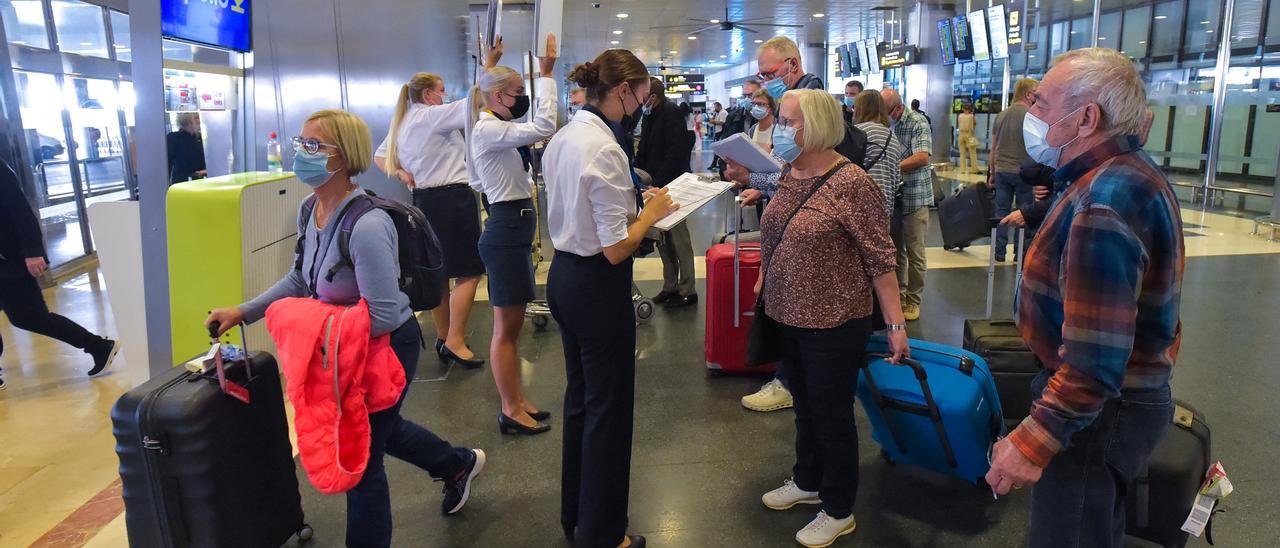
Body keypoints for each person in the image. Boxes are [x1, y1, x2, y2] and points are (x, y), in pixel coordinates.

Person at [206, 109, 484, 548]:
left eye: (313, 146)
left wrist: (316, 322)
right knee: (382, 432)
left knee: (362, 462)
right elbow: (303, 279)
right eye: (301, 144)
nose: (302, 154)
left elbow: (384, 315)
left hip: (385, 348)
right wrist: (245, 311)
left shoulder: (368, 225)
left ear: (343, 157)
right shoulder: (310, 210)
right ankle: (456, 464)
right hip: (345, 350)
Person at [983, 48, 1186, 548]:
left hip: (1100, 414)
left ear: (1086, 117)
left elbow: (1094, 364)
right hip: (1122, 402)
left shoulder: (1102, 202)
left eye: (1043, 105)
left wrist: (1030, 443)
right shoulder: (1124, 173)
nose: (1033, 116)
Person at [755, 89, 907, 548]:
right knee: (804, 407)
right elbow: (776, 229)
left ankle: (839, 508)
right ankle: (809, 480)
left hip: (834, 321)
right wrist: (766, 273)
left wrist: (897, 325)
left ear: (815, 125)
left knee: (831, 414)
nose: (779, 129)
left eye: (787, 121)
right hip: (787, 314)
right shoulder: (790, 172)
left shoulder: (852, 182)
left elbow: (881, 259)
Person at [543, 48, 679, 548]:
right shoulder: (604, 148)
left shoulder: (565, 137)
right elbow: (619, 247)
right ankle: (603, 534)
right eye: (642, 93)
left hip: (564, 277)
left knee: (582, 401)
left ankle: (576, 518)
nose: (643, 103)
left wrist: (634, 207)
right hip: (598, 286)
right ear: (624, 90)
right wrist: (653, 211)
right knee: (609, 410)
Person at [724, 35, 830, 413]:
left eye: (769, 72)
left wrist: (753, 179)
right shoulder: (800, 99)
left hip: (807, 233)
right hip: (791, 226)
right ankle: (791, 378)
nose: (765, 79)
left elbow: (802, 180)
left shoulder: (812, 102)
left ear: (792, 64)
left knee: (799, 309)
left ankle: (790, 381)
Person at [374, 61, 498, 373]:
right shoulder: (431, 116)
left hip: (423, 201)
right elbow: (474, 101)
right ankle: (456, 339)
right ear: (428, 95)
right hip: (451, 200)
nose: (444, 97)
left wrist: (401, 173)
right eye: (441, 92)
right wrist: (490, 65)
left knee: (440, 274)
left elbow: (379, 156)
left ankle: (444, 337)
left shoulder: (402, 122)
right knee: (470, 272)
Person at [466, 34, 559, 435]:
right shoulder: (488, 131)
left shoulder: (493, 128)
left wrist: (490, 65)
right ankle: (509, 408)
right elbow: (543, 124)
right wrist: (547, 75)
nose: (523, 98)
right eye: (519, 92)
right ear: (499, 96)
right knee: (506, 330)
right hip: (506, 230)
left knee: (514, 326)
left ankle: (518, 400)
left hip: (511, 226)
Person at [0, 158, 119, 389]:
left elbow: (21, 211)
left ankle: (98, 346)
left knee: (28, 316)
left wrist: (33, 250)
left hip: (8, 261)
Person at [636, 77, 697, 309]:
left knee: (679, 239)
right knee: (662, 239)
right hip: (654, 187)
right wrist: (640, 177)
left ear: (654, 95)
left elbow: (676, 152)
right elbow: (643, 147)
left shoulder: (671, 113)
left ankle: (688, 289)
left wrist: (659, 183)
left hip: (672, 185)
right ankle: (669, 286)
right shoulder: (650, 115)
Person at [881, 88, 932, 323]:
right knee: (896, 252)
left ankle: (914, 300)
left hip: (915, 198)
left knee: (915, 253)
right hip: (894, 198)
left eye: (887, 111)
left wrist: (893, 167)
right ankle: (899, 297)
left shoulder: (917, 122)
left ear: (898, 108)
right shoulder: (885, 125)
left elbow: (922, 156)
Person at [987, 78, 1039, 261]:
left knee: (1001, 213)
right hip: (1023, 173)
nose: (1037, 97)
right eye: (1035, 93)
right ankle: (1020, 253)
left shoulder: (1001, 115)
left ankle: (998, 253)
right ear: (1027, 94)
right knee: (1024, 213)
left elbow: (993, 148)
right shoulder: (1031, 115)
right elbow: (1036, 147)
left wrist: (992, 173)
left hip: (1002, 171)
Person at [852, 90, 903, 219]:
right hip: (885, 210)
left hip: (860, 209)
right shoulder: (893, 137)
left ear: (859, 109)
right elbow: (896, 182)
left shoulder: (856, 133)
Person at [166, 112, 206, 184]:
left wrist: (205, 171)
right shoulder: (174, 138)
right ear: (187, 120)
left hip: (202, 182)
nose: (199, 121)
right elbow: (167, 164)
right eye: (196, 118)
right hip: (182, 183)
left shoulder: (202, 138)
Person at [957, 103, 980, 175]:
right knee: (972, 153)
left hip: (961, 135)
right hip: (970, 135)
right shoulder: (971, 116)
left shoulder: (960, 116)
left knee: (962, 153)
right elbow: (975, 124)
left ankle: (963, 169)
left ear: (963, 109)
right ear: (970, 109)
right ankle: (974, 169)